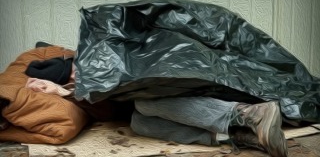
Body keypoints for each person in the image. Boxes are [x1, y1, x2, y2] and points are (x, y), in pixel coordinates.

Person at [24, 55, 288, 157]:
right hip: (154, 107)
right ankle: (238, 135)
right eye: (69, 80)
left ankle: (248, 113)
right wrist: (68, 93)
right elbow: (110, 112)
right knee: (138, 121)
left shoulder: (95, 57)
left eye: (73, 73)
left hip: (182, 91)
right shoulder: (74, 90)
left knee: (144, 104)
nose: (75, 79)